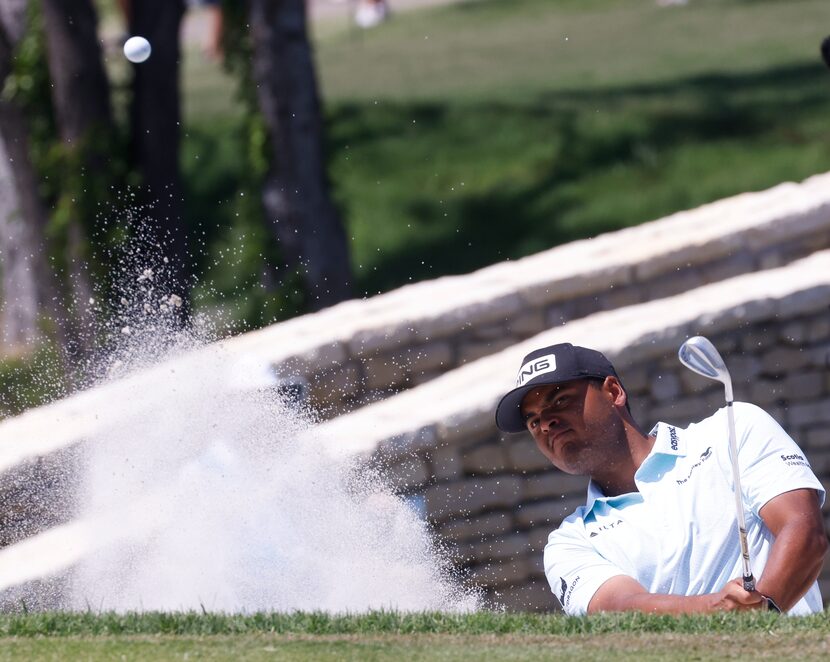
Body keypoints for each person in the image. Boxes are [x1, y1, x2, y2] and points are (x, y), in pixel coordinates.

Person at [495, 342, 828, 615]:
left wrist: (759, 616)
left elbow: (803, 530)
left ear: (613, 392)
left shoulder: (733, 429)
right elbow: (620, 608)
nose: (546, 424)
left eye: (560, 401)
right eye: (533, 421)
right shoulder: (569, 542)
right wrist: (719, 611)